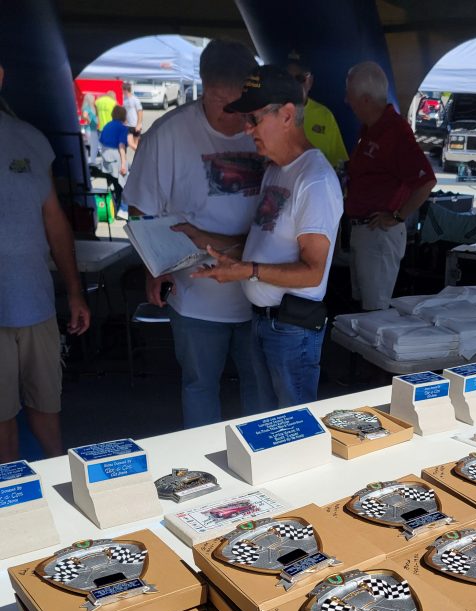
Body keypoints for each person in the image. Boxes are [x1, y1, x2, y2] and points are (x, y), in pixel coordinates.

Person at [175, 65, 343, 413]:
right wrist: (200, 237)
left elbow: (313, 272)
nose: (246, 129)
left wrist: (246, 271)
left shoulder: (314, 180)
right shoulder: (277, 170)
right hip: (265, 322)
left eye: (253, 119)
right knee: (265, 423)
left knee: (293, 428)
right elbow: (262, 244)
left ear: (287, 115)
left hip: (292, 329)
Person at [124, 39, 265, 429]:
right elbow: (141, 210)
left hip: (260, 291)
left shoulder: (263, 128)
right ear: (203, 87)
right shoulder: (168, 134)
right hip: (196, 295)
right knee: (200, 385)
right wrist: (153, 269)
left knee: (260, 387)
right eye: (220, 101)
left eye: (240, 104)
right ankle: (203, 462)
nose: (232, 114)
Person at [0, 67, 90, 461]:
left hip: (36, 304)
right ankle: (10, 497)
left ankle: (61, 480)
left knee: (47, 407)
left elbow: (54, 221)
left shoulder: (31, 139)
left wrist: (75, 292)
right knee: (1, 422)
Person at [344, 61, 436, 310]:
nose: (346, 101)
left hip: (378, 233)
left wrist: (397, 216)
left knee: (374, 313)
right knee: (361, 310)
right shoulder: (371, 129)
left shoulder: (394, 132)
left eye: (349, 95)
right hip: (364, 231)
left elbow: (426, 181)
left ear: (365, 99)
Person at [285, 53, 348, 170]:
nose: (293, 85)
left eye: (299, 79)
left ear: (310, 81)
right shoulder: (272, 113)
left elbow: (339, 163)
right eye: (288, 79)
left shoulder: (325, 116)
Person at [98, 104, 136, 210]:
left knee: (115, 186)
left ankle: (115, 206)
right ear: (124, 116)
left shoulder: (107, 125)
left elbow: (101, 142)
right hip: (116, 160)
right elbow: (121, 146)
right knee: (123, 186)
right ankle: (123, 209)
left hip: (106, 162)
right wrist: (123, 164)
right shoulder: (123, 128)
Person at [80, 91, 99, 163]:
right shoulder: (87, 108)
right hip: (89, 128)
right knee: (92, 144)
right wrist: (89, 120)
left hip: (93, 128)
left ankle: (91, 159)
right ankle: (90, 160)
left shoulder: (93, 107)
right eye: (93, 98)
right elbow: (84, 116)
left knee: (93, 144)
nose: (94, 99)